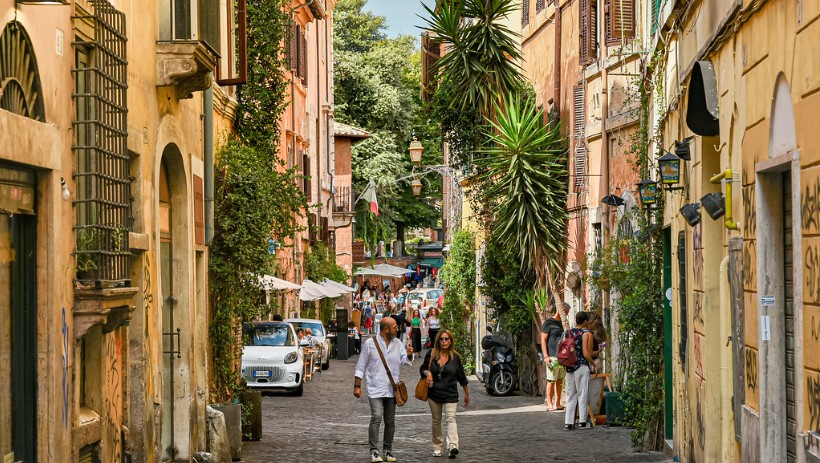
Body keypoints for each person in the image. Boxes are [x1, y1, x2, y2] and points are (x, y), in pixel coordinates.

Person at [354, 317, 414, 462]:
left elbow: (405, 360)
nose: (397, 329)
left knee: (390, 421)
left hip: (391, 389)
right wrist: (357, 386)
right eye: (394, 327)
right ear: (386, 329)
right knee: (376, 417)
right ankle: (374, 450)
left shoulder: (397, 343)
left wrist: (410, 353)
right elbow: (361, 365)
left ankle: (388, 450)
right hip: (375, 387)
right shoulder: (370, 344)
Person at [419, 329, 470, 458]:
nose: (444, 341)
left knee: (451, 419)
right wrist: (428, 373)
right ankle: (437, 447)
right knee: (436, 421)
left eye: (447, 339)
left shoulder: (455, 357)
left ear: (451, 340)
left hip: (450, 393)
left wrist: (466, 394)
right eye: (441, 339)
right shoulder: (432, 354)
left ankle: (453, 445)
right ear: (438, 341)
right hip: (434, 393)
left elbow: (462, 377)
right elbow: (423, 369)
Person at [564, 312, 596, 430]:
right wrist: (593, 365)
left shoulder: (567, 333)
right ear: (585, 322)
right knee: (582, 393)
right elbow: (586, 354)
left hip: (569, 366)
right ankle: (582, 421)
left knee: (570, 394)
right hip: (581, 366)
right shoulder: (585, 334)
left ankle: (568, 422)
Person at [541, 303, 566, 411]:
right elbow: (543, 340)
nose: (566, 314)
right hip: (551, 356)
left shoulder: (562, 324)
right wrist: (545, 356)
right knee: (551, 380)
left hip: (561, 356)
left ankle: (558, 403)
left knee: (560, 380)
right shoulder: (548, 323)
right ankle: (549, 403)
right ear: (560, 310)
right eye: (565, 312)